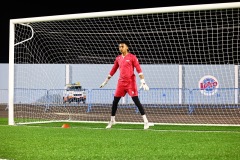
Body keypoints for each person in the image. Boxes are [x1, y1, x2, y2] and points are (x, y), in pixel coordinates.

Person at [100, 40, 150, 129]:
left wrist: (143, 81)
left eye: (122, 46)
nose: (120, 48)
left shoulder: (132, 57)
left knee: (136, 101)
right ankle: (112, 120)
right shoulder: (118, 58)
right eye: (119, 47)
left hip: (130, 83)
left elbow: (139, 69)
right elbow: (113, 70)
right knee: (115, 101)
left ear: (127, 47)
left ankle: (146, 122)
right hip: (121, 83)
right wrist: (106, 81)